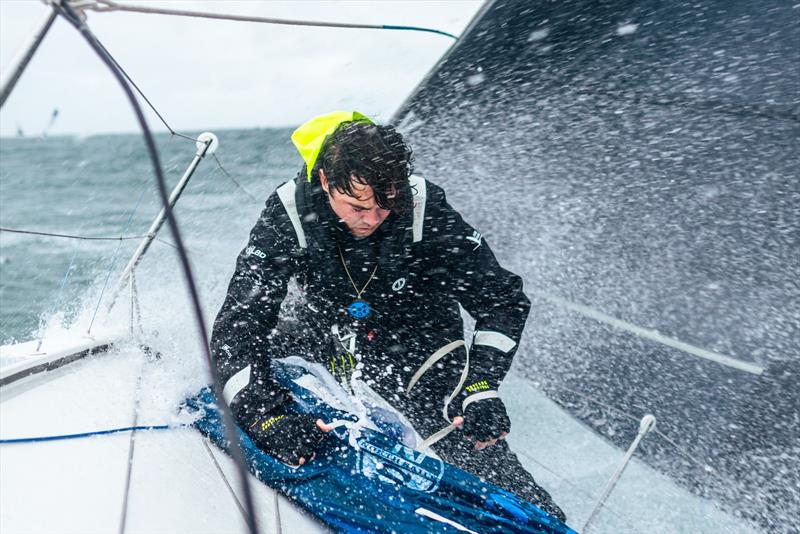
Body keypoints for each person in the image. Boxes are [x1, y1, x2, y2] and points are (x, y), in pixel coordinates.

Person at [210, 111, 565, 521]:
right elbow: (240, 322)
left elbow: (502, 300)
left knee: (485, 454)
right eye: (358, 206)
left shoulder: (422, 203)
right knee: (242, 354)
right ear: (325, 181)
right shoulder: (289, 210)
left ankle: (550, 523)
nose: (373, 219)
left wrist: (481, 385)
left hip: (419, 342)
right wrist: (266, 420)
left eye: (386, 205)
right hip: (325, 330)